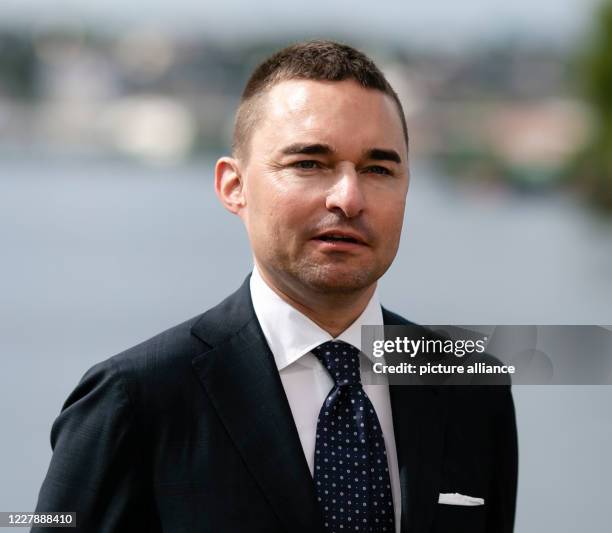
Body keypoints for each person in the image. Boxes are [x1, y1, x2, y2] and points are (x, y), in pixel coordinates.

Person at [33, 40, 518, 533]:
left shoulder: (470, 384)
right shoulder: (135, 400)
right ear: (233, 186)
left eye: (377, 169)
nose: (348, 198)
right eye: (309, 164)